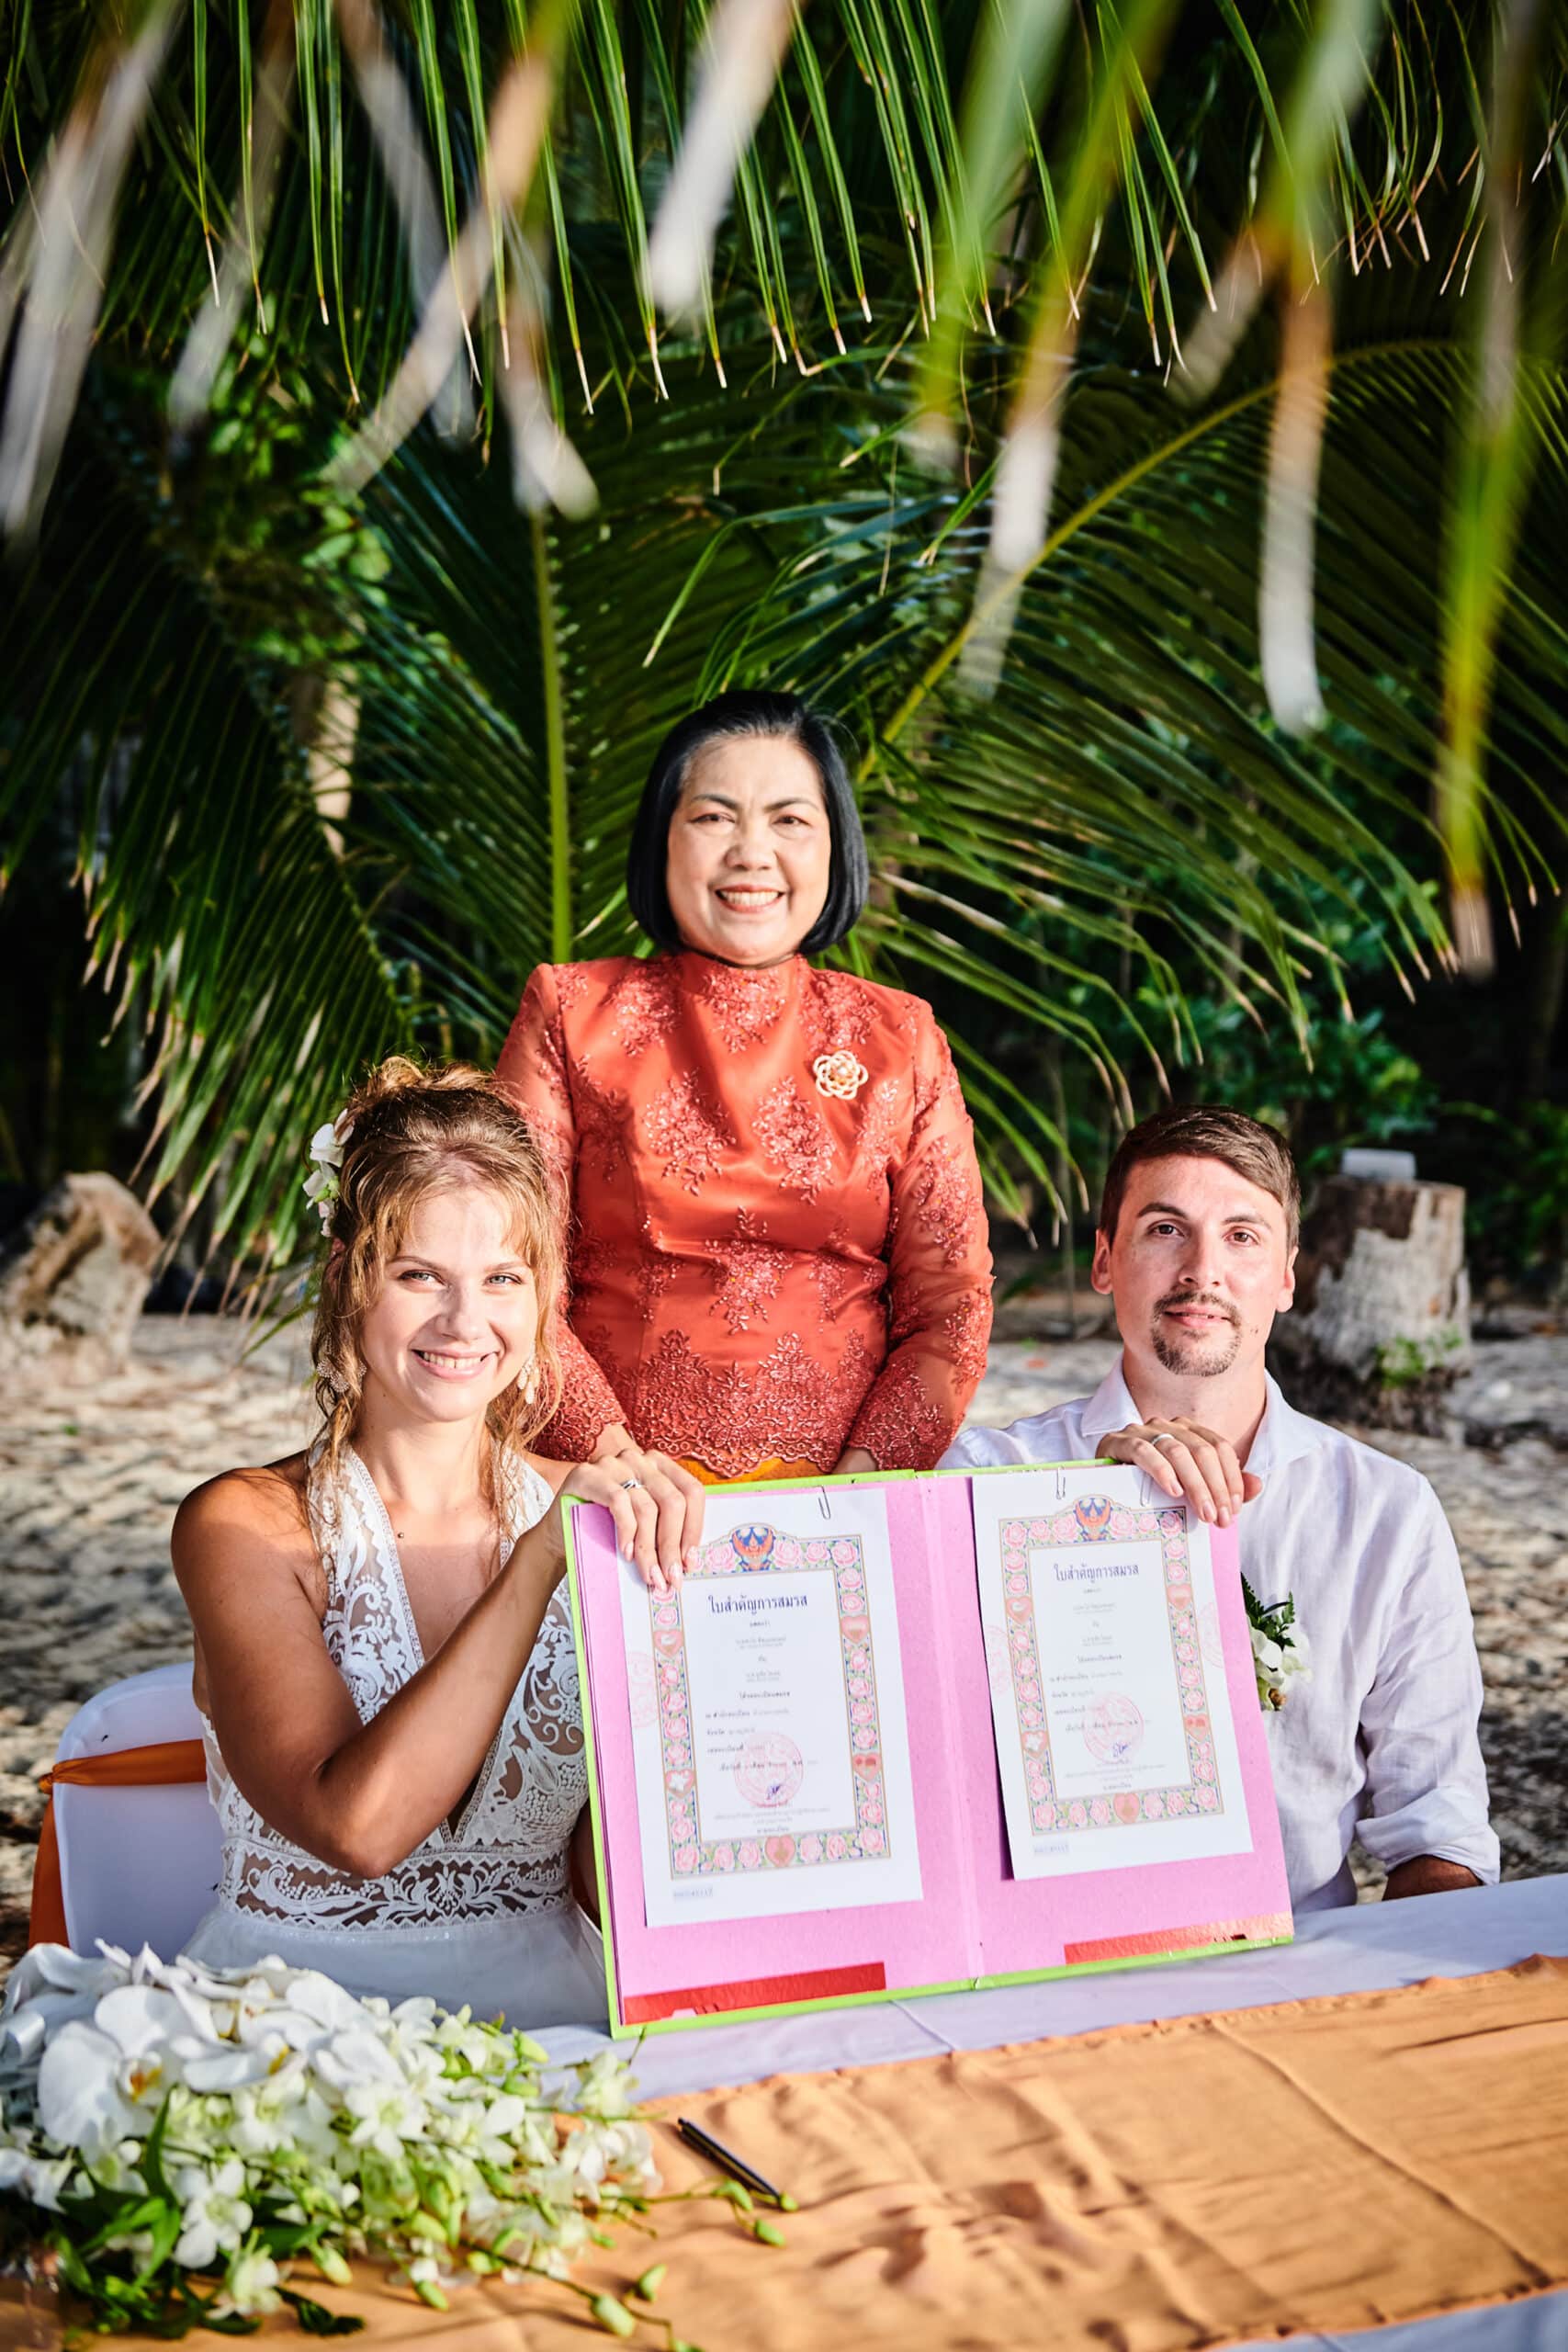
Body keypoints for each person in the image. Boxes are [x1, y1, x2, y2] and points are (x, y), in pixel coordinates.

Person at [173, 1058, 703, 2024]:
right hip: (296, 2020)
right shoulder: (245, 1527)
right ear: (346, 1278)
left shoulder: (595, 1512)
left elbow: (607, 1868)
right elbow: (356, 1828)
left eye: (504, 1278)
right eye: (420, 1275)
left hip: (561, 2012)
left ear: (544, 1297)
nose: (466, 1322)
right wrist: (542, 1559)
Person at [942, 1105, 1499, 1913]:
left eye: (1242, 1236)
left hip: (1294, 1958)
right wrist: (1082, 1504)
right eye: (1166, 1229)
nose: (1201, 1270)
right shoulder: (990, 1475)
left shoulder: (1386, 1511)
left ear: (1286, 1276)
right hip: (1047, 1960)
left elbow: (1436, 1823)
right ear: (1104, 1260)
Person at [495, 689, 993, 1485]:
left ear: (836, 848)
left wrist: (856, 1491)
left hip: (844, 1507)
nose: (751, 852)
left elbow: (951, 1307)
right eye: (714, 817)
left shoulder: (899, 1037)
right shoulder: (570, 1013)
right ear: (663, 837)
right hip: (609, 1500)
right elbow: (510, 1273)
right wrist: (615, 1471)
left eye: (790, 820)